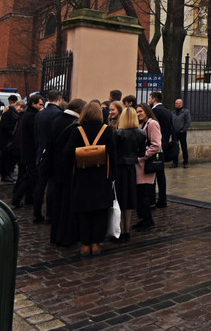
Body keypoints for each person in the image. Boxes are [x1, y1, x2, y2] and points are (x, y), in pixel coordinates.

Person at [64, 101, 114, 256]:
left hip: (82, 176)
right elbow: (113, 156)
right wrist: (113, 176)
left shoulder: (77, 131)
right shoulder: (107, 130)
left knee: (83, 212)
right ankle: (96, 243)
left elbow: (67, 154)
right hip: (101, 177)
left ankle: (85, 244)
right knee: (100, 212)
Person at [49, 98, 85, 247]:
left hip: (56, 167)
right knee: (67, 204)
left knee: (58, 204)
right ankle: (66, 236)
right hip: (69, 168)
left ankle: (56, 234)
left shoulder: (57, 119)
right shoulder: (74, 125)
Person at [112, 106, 146, 242]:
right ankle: (126, 230)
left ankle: (119, 230)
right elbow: (142, 153)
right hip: (131, 168)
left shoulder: (118, 133)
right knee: (129, 199)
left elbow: (113, 154)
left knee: (119, 199)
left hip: (119, 168)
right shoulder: (141, 133)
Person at [32, 90, 63, 223]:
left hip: (41, 152)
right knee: (52, 185)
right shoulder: (59, 114)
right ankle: (50, 214)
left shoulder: (40, 114)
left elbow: (36, 135)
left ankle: (36, 213)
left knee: (40, 185)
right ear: (60, 99)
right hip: (52, 154)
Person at [12, 93, 44, 207]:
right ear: (33, 103)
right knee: (29, 176)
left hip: (27, 150)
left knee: (29, 175)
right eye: (40, 104)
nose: (41, 106)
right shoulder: (31, 116)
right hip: (30, 151)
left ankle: (27, 198)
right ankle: (17, 198)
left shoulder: (29, 114)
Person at [133, 103, 161, 231]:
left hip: (145, 164)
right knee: (140, 193)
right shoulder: (142, 124)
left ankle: (148, 220)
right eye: (137, 112)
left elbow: (156, 145)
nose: (138, 114)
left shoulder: (152, 124)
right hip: (139, 165)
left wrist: (143, 156)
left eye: (141, 111)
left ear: (147, 111)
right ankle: (144, 218)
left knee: (143, 193)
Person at [148, 91, 174, 208]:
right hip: (164, 144)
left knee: (153, 173)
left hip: (155, 145)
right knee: (161, 175)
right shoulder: (167, 111)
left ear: (153, 99)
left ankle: (151, 200)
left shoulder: (154, 111)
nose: (149, 100)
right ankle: (162, 199)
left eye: (150, 98)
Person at [0, 95, 20, 182]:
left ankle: (7, 174)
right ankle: (5, 175)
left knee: (8, 159)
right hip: (6, 140)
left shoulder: (11, 113)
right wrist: (14, 127)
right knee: (5, 158)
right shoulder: (8, 113)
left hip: (8, 140)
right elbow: (2, 125)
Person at [171, 98, 191, 168]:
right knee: (174, 148)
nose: (175, 104)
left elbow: (188, 121)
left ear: (181, 104)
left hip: (182, 132)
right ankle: (175, 162)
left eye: (177, 103)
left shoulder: (185, 111)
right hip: (174, 132)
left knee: (184, 147)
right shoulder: (173, 112)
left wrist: (183, 129)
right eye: (175, 103)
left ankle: (185, 162)